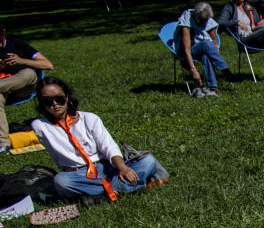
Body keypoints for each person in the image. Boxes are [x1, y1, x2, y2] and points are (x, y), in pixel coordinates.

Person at [30, 77, 169, 201]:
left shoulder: (89, 118)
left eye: (59, 99)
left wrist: (122, 167)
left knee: (148, 160)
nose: (55, 104)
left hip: (107, 167)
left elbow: (108, 146)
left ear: (66, 98)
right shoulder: (40, 126)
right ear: (42, 104)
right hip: (77, 174)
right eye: (48, 101)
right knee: (61, 181)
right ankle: (124, 189)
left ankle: (101, 195)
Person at [0, 27, 54, 155]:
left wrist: (20, 60)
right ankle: (3, 144)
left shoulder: (16, 44)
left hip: (22, 87)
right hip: (4, 92)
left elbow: (48, 65)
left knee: (29, 73)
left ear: (2, 34)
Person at [177, 2, 234, 98]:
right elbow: (186, 49)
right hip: (187, 51)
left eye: (206, 21)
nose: (204, 23)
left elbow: (215, 43)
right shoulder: (186, 20)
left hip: (203, 50)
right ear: (196, 17)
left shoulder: (208, 20)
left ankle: (212, 89)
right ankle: (227, 73)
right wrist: (193, 70)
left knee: (206, 55)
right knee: (206, 44)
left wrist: (214, 55)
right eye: (202, 21)